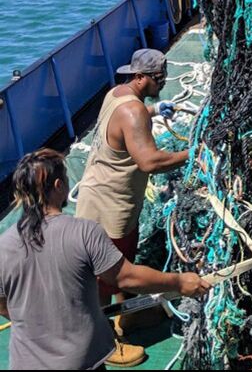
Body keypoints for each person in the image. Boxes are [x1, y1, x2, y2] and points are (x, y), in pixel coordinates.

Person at [0, 149, 211, 370]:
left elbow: (3, 305)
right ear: (59, 186)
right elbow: (127, 278)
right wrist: (179, 282)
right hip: (80, 362)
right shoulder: (83, 232)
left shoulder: (3, 246)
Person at [75, 48, 188, 308]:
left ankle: (127, 312)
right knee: (110, 274)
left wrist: (155, 109)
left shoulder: (116, 94)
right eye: (158, 78)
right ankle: (107, 327)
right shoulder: (133, 112)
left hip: (94, 194)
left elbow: (125, 119)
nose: (163, 82)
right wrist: (193, 153)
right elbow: (150, 162)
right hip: (112, 207)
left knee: (119, 261)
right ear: (139, 77)